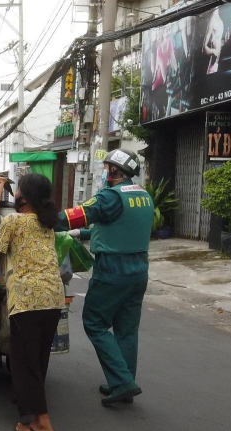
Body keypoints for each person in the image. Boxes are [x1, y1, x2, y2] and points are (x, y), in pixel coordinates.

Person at [56, 149, 153, 406]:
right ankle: (123, 383)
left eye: (107, 167)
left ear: (115, 170)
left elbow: (76, 215)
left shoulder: (111, 197)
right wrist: (83, 234)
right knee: (126, 330)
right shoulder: (143, 196)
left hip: (112, 269)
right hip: (139, 271)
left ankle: (123, 382)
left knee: (95, 323)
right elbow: (120, 226)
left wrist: (44, 219)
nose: (105, 171)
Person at [0, 173, 64, 431]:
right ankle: (27, 399)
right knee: (38, 358)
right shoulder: (47, 224)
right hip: (53, 297)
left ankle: (42, 424)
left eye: (17, 190)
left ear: (24, 197)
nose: (15, 194)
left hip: (28, 300)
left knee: (23, 362)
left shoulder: (13, 221)